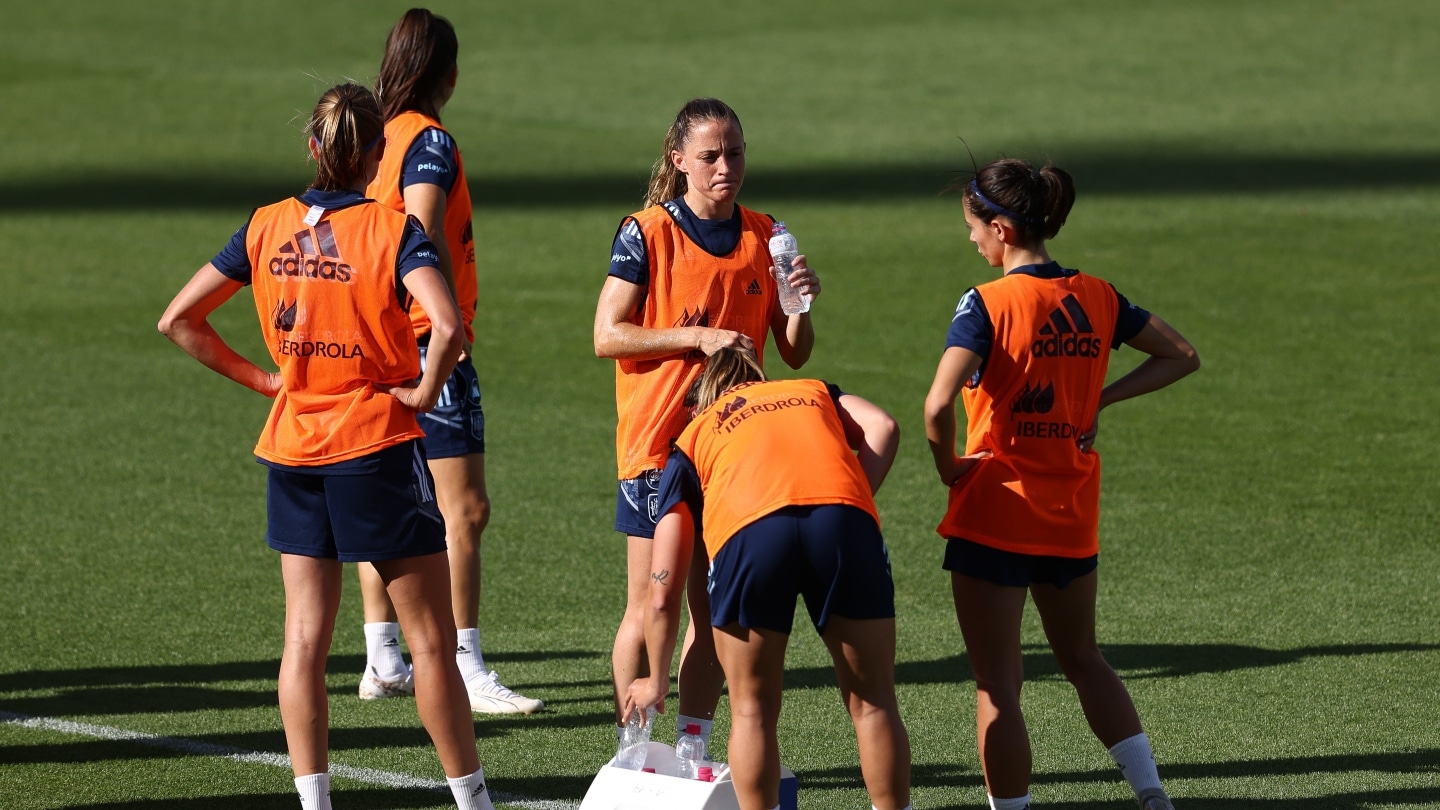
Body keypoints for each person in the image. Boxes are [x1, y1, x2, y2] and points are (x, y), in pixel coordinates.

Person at [158, 84, 495, 810]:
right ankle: (472, 801)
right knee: (432, 643)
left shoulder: (266, 223)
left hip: (293, 448)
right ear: (377, 157)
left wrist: (264, 379)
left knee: (304, 641)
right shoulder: (392, 226)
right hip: (374, 444)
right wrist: (426, 388)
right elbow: (446, 322)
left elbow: (179, 320)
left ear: (313, 147)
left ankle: (315, 803)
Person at [922, 157, 1200, 810]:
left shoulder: (986, 303)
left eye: (973, 226)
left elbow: (936, 406)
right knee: (1084, 659)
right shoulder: (1098, 295)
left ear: (1002, 228)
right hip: (1069, 510)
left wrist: (947, 470)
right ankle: (1153, 796)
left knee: (997, 683)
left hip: (995, 509)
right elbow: (1180, 355)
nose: (972, 240)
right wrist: (1098, 400)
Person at [593, 97, 820, 745]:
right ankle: (632, 745)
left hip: (730, 452)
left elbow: (796, 349)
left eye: (736, 154)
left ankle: (692, 742)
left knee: (716, 608)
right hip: (657, 447)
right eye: (711, 156)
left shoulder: (766, 233)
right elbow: (608, 335)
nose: (726, 167)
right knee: (650, 603)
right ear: (679, 160)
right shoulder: (646, 232)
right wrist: (700, 337)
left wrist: (800, 302)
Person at [622, 346, 912, 810]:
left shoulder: (694, 437)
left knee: (752, 710)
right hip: (843, 521)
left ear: (698, 400)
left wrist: (656, 678)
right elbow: (884, 427)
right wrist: (853, 497)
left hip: (751, 534)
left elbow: (662, 592)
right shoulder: (812, 391)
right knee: (873, 702)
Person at [359, 8, 542, 715]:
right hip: (423, 340)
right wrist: (442, 326)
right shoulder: (429, 141)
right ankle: (466, 665)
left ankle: (382, 658)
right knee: (462, 509)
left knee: (387, 500)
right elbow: (422, 229)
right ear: (450, 76)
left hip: (373, 342)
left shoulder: (375, 135)